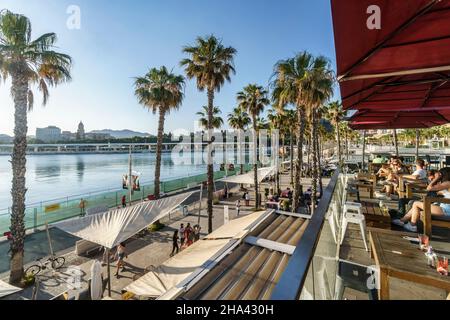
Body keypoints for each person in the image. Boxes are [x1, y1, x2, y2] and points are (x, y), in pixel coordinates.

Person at [392, 168, 450, 232]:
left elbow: (429, 188)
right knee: (417, 205)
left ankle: (412, 225)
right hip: (444, 208)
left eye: (440, 174)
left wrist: (436, 178)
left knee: (416, 204)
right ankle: (403, 221)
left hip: (446, 210)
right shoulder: (446, 183)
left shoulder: (448, 183)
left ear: (442, 174)